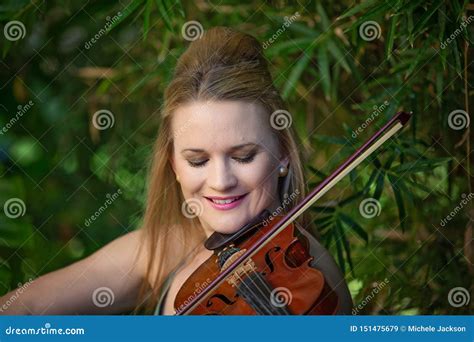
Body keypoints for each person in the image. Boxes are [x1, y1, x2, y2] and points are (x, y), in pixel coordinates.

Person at [0, 26, 352, 316]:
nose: (221, 181)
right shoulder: (168, 247)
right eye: (197, 160)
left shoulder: (314, 283)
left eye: (243, 156)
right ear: (174, 166)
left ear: (283, 154)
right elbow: (24, 308)